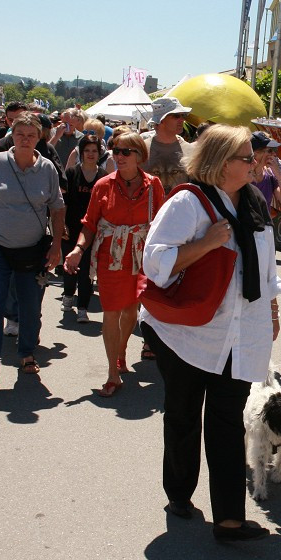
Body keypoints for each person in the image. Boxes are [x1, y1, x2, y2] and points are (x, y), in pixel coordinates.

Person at [140, 124, 281, 541]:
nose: (255, 162)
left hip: (240, 334)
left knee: (225, 423)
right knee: (184, 417)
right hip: (186, 333)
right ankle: (179, 493)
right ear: (221, 165)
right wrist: (206, 243)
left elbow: (268, 266)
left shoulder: (255, 202)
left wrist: (272, 309)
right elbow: (155, 261)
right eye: (246, 157)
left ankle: (229, 519)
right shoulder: (189, 202)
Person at [0, 113, 66, 395]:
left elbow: (58, 207)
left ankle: (26, 354)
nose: (25, 139)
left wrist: (57, 244)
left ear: (39, 138)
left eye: (31, 135)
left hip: (32, 251)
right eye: (20, 134)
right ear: (12, 135)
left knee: (30, 307)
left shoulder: (47, 168)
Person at [63, 131, 164, 396]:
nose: (118, 156)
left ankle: (121, 352)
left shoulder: (154, 185)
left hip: (140, 256)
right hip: (110, 256)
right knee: (111, 311)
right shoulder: (103, 185)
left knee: (131, 310)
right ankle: (111, 373)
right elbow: (89, 223)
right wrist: (77, 249)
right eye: (115, 151)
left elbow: (162, 225)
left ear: (139, 155)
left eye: (125, 152)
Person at [60, 135, 106, 322]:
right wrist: (61, 223)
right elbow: (63, 202)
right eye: (87, 150)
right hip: (71, 227)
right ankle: (68, 294)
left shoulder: (103, 176)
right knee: (71, 265)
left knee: (88, 269)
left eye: (94, 151)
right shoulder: (71, 173)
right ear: (81, 152)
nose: (90, 154)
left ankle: (83, 307)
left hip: (93, 230)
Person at [143, 97, 194, 193]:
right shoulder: (142, 149)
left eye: (182, 115)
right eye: (176, 116)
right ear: (161, 120)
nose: (182, 120)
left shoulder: (191, 150)